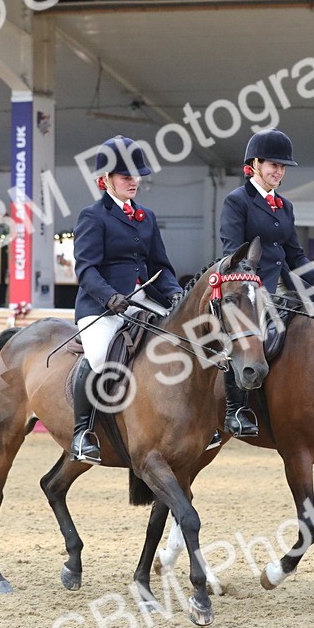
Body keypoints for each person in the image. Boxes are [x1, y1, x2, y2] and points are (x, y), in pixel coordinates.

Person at [71, 136, 183, 464]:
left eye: (136, 175)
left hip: (144, 301)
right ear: (104, 181)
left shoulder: (145, 217)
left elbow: (160, 266)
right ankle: (82, 433)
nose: (133, 181)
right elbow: (86, 270)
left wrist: (175, 292)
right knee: (97, 357)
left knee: (182, 341)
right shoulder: (93, 216)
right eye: (125, 176)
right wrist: (110, 298)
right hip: (101, 306)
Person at [217, 128, 314, 437]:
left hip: (283, 288)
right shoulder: (237, 201)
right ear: (255, 164)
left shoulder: (285, 206)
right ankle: (236, 409)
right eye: (273, 165)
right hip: (246, 288)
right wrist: (256, 289)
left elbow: (294, 255)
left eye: (282, 167)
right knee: (247, 337)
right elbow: (233, 253)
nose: (279, 172)